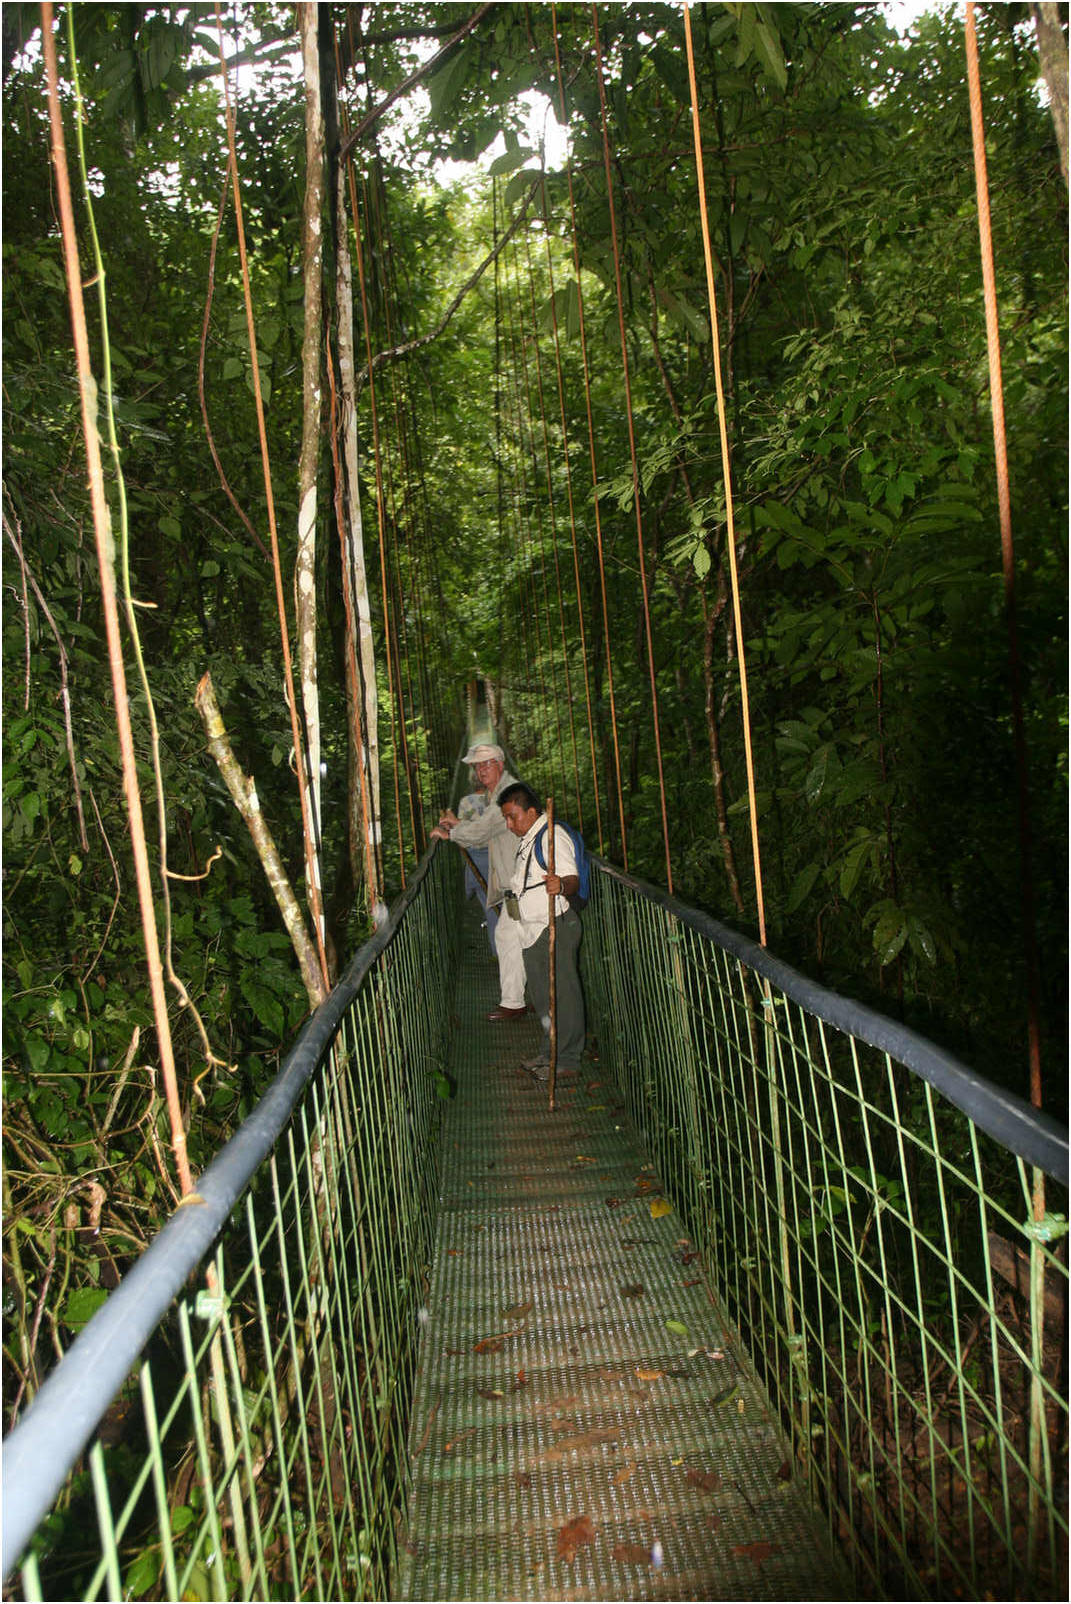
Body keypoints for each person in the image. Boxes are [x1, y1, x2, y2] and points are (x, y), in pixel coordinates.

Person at [431, 743, 527, 1022]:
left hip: (523, 881)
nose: (481, 770)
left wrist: (452, 834)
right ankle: (516, 1002)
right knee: (512, 936)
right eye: (477, 765)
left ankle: (519, 1003)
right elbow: (490, 832)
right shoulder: (497, 793)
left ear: (500, 763)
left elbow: (482, 831)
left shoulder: (508, 794)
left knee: (515, 936)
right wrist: (459, 825)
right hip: (513, 881)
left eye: (486, 764)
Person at [498, 782, 585, 1077]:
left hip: (554, 925)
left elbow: (571, 878)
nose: (509, 825)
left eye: (513, 817)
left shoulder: (551, 836)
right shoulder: (529, 839)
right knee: (542, 996)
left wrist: (560, 885)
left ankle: (568, 1060)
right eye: (506, 818)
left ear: (532, 811)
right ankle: (549, 1053)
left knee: (563, 995)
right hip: (533, 929)